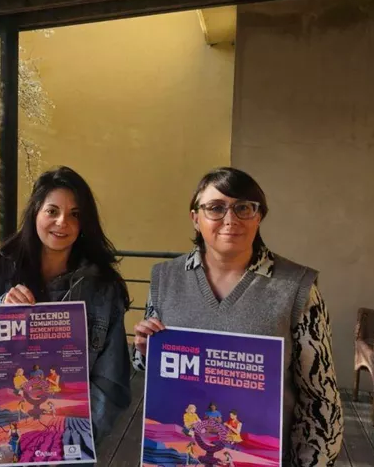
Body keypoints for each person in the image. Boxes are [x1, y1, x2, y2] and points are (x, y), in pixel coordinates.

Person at [132, 167, 343, 466]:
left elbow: (320, 398)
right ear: (195, 218)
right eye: (215, 208)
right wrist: (145, 350)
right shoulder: (165, 278)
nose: (230, 219)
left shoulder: (297, 288)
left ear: (259, 216)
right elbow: (145, 367)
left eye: (243, 208)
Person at [0, 166, 132, 443]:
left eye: (75, 214)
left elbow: (112, 380)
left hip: (71, 441)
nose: (62, 222)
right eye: (52, 211)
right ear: (35, 211)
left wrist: (75, 435)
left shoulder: (103, 288)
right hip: (7, 437)